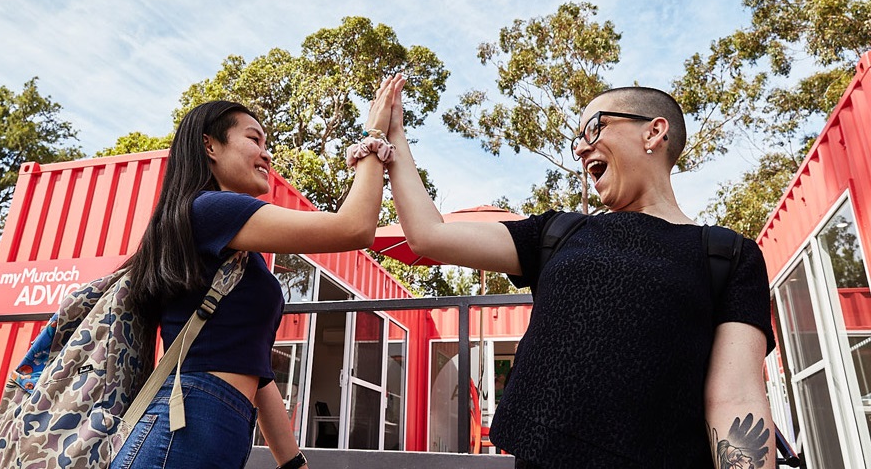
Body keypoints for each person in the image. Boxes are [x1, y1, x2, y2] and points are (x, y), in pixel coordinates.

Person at [383, 81, 776, 467]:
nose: (582, 147)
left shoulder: (728, 254)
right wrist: (394, 136)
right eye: (578, 140)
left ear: (654, 132)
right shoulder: (559, 232)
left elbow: (736, 398)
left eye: (595, 127)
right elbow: (428, 235)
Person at [110, 74, 405, 469]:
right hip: (184, 425)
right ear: (209, 145)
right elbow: (355, 227)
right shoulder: (211, 209)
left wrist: (291, 463)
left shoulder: (232, 246)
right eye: (254, 140)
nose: (267, 155)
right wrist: (372, 136)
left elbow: (253, 365)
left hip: (214, 425)